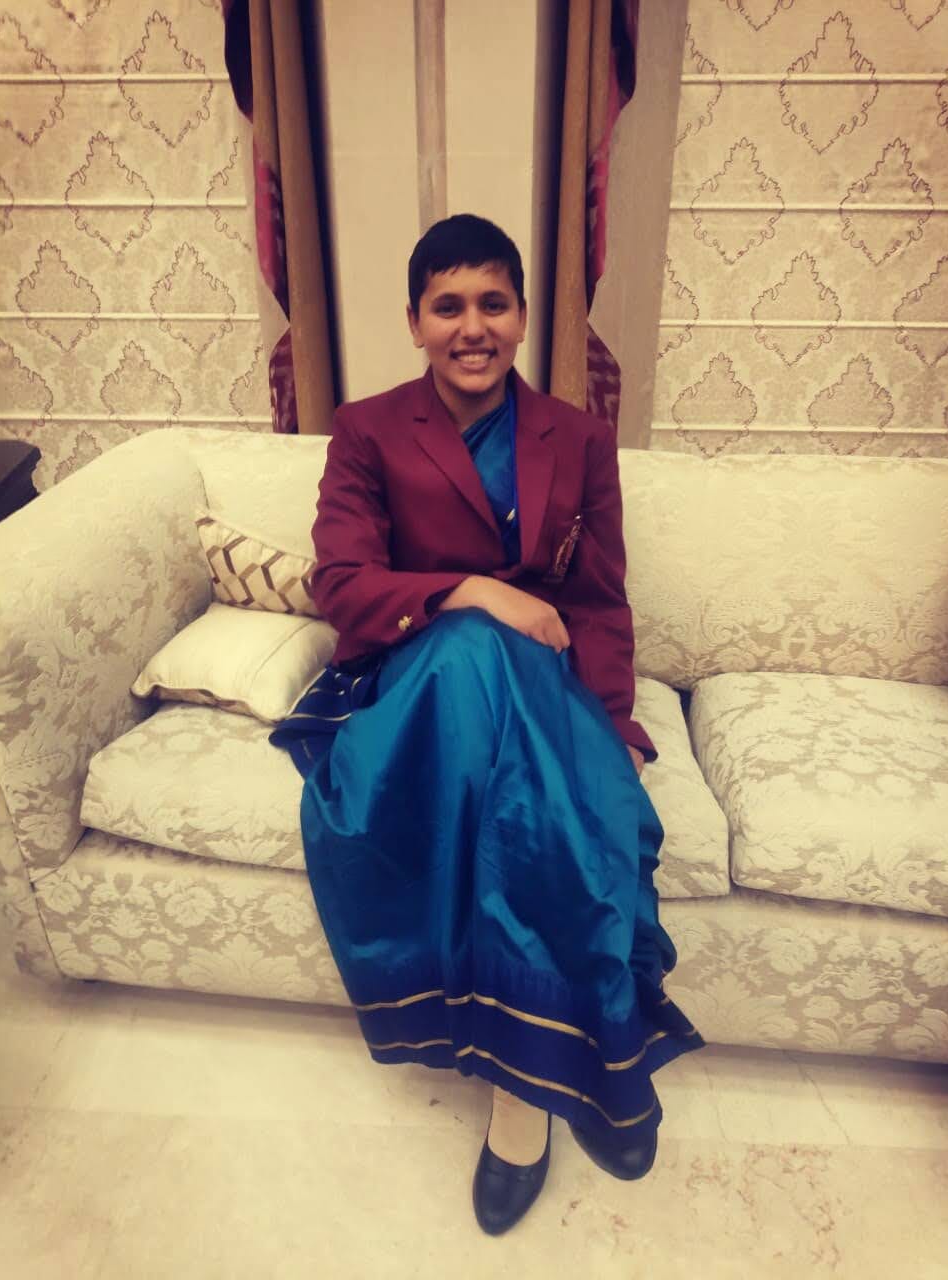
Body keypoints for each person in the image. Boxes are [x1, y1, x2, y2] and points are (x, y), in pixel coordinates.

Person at [269, 213, 704, 1236]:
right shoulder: (368, 429)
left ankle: (531, 1085)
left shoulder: (577, 437)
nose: (473, 327)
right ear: (414, 321)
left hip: (541, 692)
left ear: (522, 315)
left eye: (494, 304)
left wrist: (613, 728)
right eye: (449, 306)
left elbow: (596, 601)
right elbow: (344, 583)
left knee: (561, 790)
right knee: (474, 648)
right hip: (415, 680)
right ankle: (573, 1076)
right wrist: (471, 590)